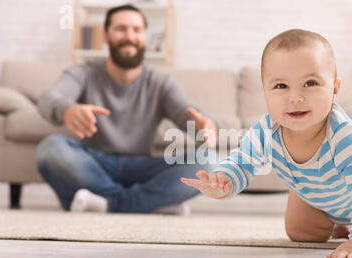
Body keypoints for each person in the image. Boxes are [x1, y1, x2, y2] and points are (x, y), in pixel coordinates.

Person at [181, 29, 352, 258]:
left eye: (310, 83)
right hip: (314, 196)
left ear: (334, 88)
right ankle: (340, 224)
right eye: (281, 86)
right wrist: (223, 180)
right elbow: (242, 161)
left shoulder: (343, 135)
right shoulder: (266, 131)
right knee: (300, 233)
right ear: (265, 93)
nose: (295, 97)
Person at [36, 4, 217, 215]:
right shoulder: (83, 73)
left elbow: (189, 115)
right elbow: (48, 99)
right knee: (50, 149)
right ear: (106, 36)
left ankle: (106, 203)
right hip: (95, 165)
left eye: (137, 30)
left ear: (145, 36)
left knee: (209, 161)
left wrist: (206, 126)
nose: (129, 36)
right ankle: (149, 204)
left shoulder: (159, 82)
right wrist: (67, 110)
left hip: (142, 168)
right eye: (121, 29)